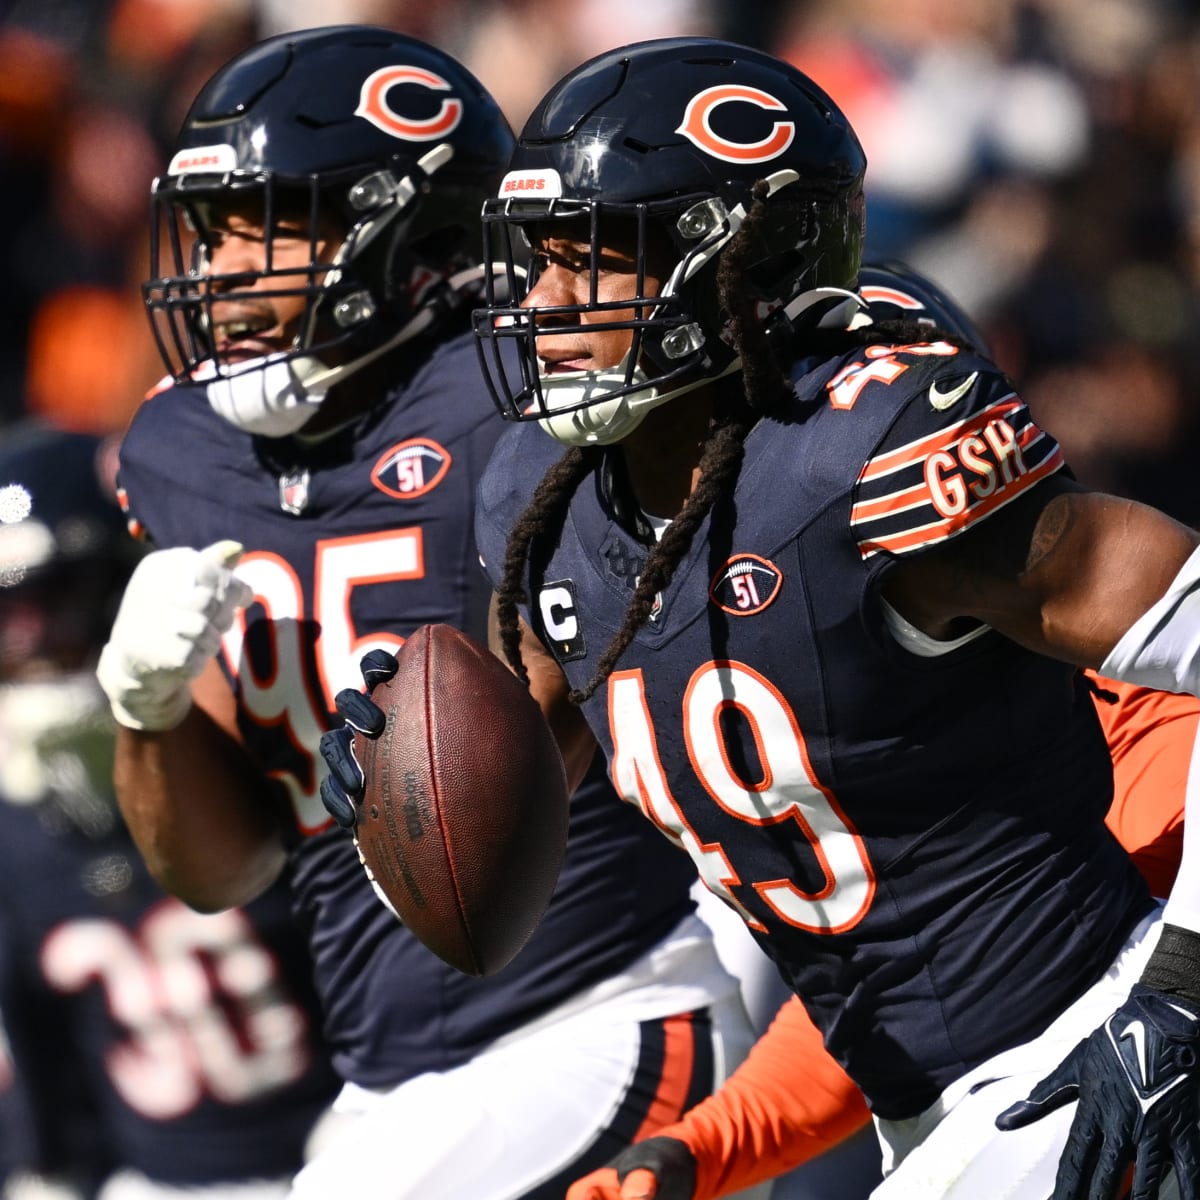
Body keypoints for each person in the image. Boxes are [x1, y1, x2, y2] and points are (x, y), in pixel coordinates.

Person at [320, 36, 1200, 1200]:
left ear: (737, 265)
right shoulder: (547, 499)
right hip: (927, 1105)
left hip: (1086, 1039)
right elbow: (505, 835)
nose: (540, 300)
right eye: (535, 258)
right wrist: (392, 788)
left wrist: (1182, 986)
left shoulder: (859, 457)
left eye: (592, 261)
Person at [95, 26, 762, 1200]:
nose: (225, 266)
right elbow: (222, 867)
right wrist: (146, 709)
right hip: (392, 1073)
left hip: (603, 1008)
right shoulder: (178, 448)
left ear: (417, 236)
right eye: (212, 227)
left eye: (274, 220)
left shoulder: (516, 401)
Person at [560, 263, 1200, 1200]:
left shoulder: (1142, 718)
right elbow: (896, 977)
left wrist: (1180, 989)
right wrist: (702, 1148)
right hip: (962, 1107)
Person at [0, 420, 339, 1200]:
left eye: (61, 600)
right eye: (9, 616)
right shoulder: (17, 831)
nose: (34, 642)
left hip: (341, 1135)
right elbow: (41, 1055)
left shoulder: (242, 736)